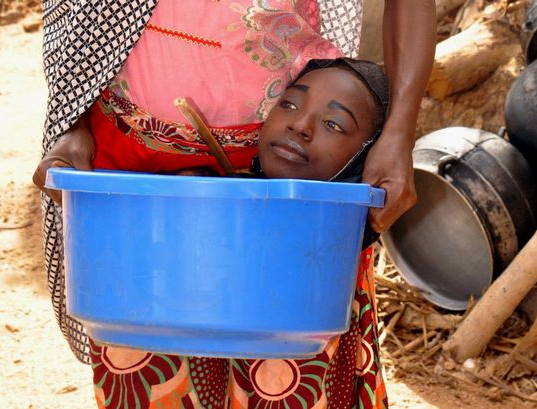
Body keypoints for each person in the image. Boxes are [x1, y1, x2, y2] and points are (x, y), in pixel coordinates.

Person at [33, 0, 435, 404]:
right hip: (134, 189)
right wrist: (74, 121)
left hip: (289, 189)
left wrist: (398, 133)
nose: (303, 119)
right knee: (148, 369)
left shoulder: (301, 135)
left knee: (287, 373)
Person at [86, 56, 390, 408]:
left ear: (368, 157)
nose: (300, 125)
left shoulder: (333, 270)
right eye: (289, 104)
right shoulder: (202, 206)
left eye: (334, 124)